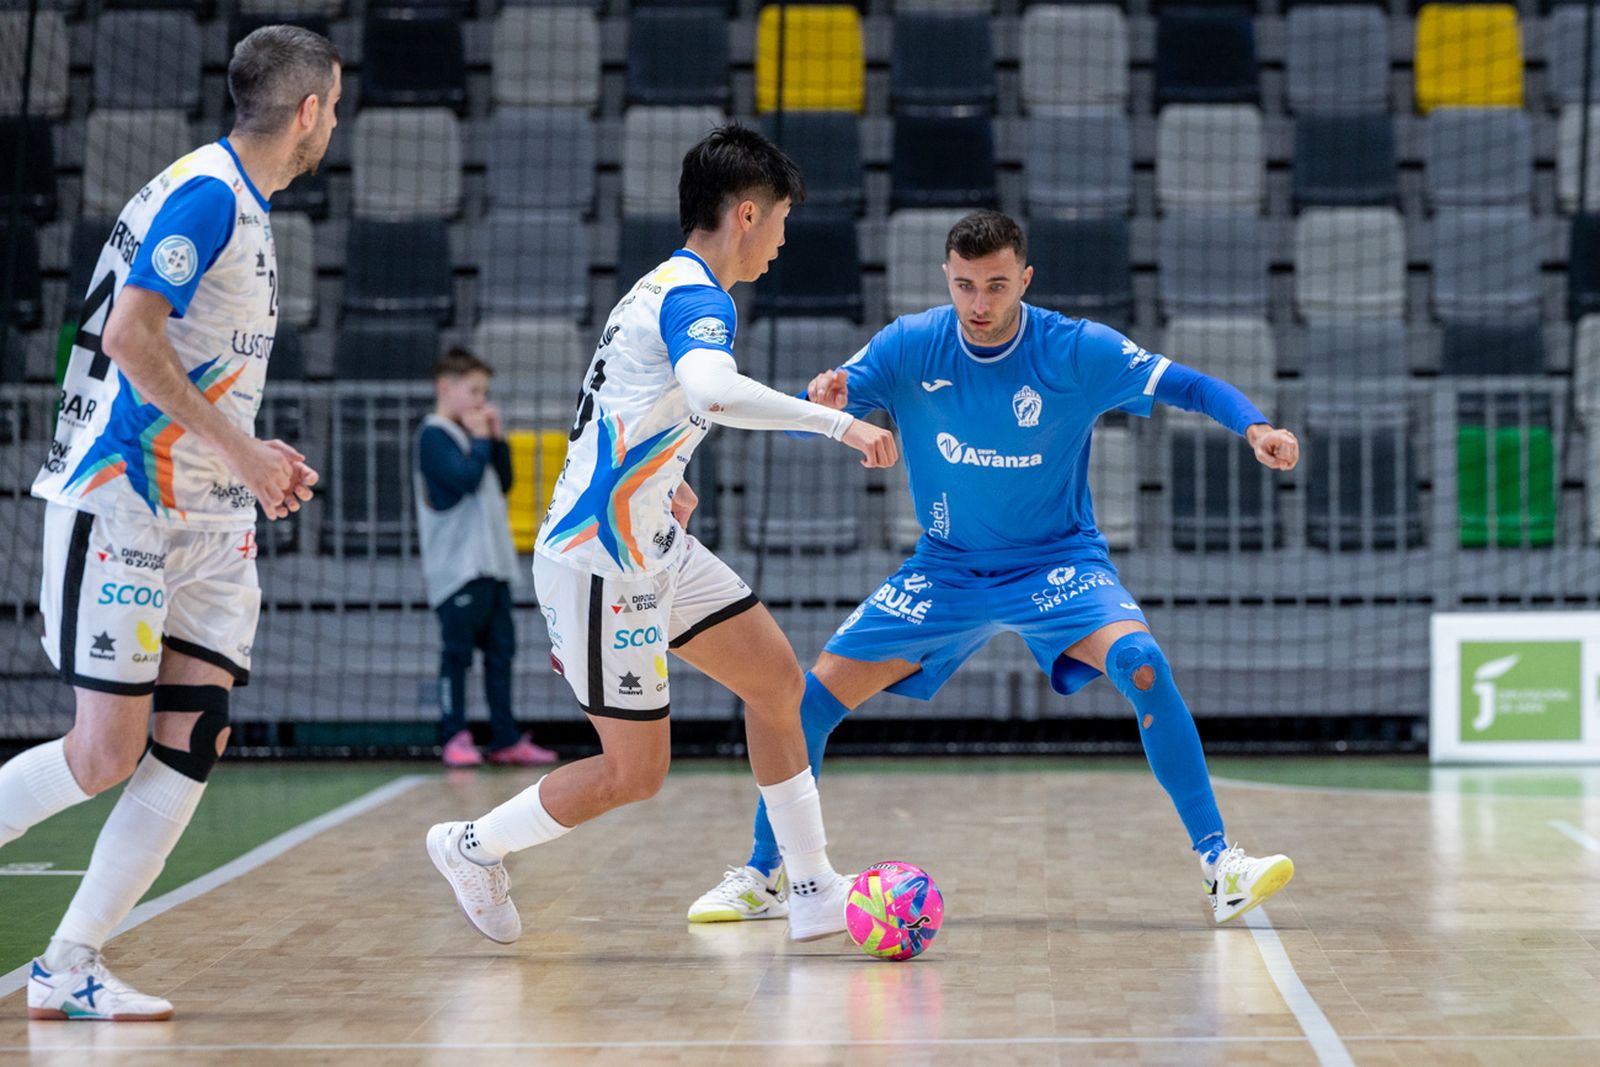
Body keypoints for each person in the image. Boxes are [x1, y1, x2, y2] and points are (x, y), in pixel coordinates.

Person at [687, 210, 1299, 927]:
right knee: (807, 703)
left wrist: (1256, 426)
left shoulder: (1075, 350)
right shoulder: (910, 344)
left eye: (997, 286)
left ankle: (1220, 864)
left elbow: (1187, 385)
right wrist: (824, 400)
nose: (979, 304)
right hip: (946, 570)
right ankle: (767, 875)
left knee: (1140, 662)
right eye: (966, 286)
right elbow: (823, 404)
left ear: (1025, 280)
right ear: (947, 278)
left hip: (1056, 564)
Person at [425, 123, 899, 945]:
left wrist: (666, 477)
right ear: (746, 214)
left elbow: (628, 408)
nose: (783, 241)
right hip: (600, 560)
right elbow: (709, 392)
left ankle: (814, 885)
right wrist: (839, 424)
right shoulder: (696, 297)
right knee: (634, 772)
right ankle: (471, 845)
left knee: (777, 682)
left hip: (651, 540)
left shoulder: (661, 289)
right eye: (782, 220)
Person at [0, 26, 340, 1020]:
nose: (334, 123)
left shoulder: (239, 202)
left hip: (209, 516)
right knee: (103, 752)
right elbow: (129, 336)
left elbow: (191, 362)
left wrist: (249, 457)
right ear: (309, 111)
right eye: (334, 106)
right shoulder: (207, 194)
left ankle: (70, 961)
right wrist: (243, 451)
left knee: (194, 732)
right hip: (125, 502)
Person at [416, 347, 557, 768]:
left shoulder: (471, 435)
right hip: (457, 569)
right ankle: (454, 735)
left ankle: (505, 738)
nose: (481, 400)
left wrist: (496, 440)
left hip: (492, 564)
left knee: (501, 654)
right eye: (473, 390)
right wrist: (480, 441)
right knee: (456, 655)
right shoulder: (433, 435)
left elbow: (504, 481)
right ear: (445, 387)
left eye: (484, 392)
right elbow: (464, 479)